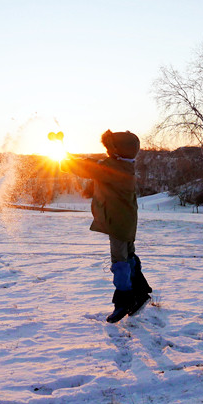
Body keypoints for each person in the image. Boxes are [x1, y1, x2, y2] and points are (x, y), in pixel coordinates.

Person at [60, 130, 152, 322]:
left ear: (117, 151)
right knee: (128, 256)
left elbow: (88, 168)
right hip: (126, 220)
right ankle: (140, 293)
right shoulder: (124, 166)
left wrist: (67, 161)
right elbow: (95, 165)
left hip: (118, 222)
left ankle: (123, 302)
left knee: (119, 262)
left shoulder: (114, 168)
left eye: (109, 149)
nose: (107, 152)